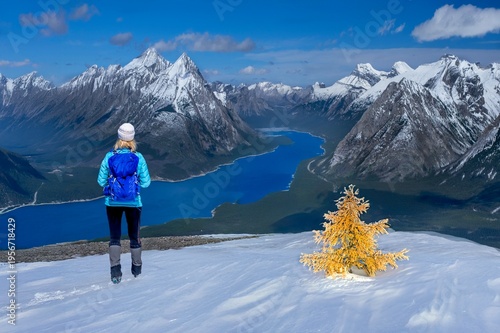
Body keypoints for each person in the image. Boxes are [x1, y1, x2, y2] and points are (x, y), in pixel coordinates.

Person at [97, 123, 151, 284]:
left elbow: (100, 181)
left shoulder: (109, 157)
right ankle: (137, 271)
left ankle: (115, 273)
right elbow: (146, 183)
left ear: (119, 138)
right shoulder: (138, 157)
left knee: (115, 237)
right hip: (134, 203)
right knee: (134, 236)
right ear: (132, 139)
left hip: (112, 202)